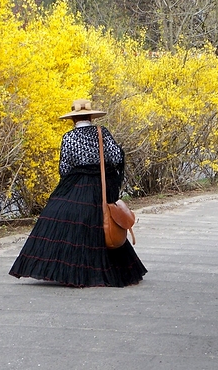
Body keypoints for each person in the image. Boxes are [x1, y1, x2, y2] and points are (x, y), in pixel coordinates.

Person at [9, 99, 147, 287]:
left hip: (77, 183)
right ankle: (108, 271)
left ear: (73, 119)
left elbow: (64, 168)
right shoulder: (102, 132)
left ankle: (69, 270)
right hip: (101, 185)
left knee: (63, 217)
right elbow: (116, 157)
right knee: (103, 222)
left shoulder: (68, 138)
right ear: (91, 117)